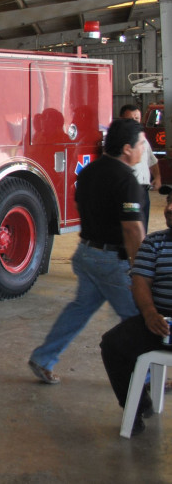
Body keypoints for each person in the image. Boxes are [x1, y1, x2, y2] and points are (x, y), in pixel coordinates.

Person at [27, 117, 146, 384]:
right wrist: (139, 271)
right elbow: (132, 229)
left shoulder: (89, 172)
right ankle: (147, 376)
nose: (143, 149)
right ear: (127, 148)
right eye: (141, 144)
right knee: (139, 318)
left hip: (86, 254)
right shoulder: (126, 181)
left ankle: (44, 358)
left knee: (79, 309)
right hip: (112, 262)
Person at [99, 183, 172, 436]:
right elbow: (141, 281)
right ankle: (137, 405)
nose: (169, 208)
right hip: (158, 321)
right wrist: (150, 313)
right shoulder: (154, 243)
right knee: (112, 344)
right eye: (169, 202)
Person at [118, 104, 161, 229]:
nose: (134, 121)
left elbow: (152, 160)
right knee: (133, 227)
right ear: (121, 119)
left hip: (144, 192)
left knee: (143, 226)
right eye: (130, 119)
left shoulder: (143, 140)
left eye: (137, 118)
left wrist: (157, 177)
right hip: (129, 192)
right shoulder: (118, 141)